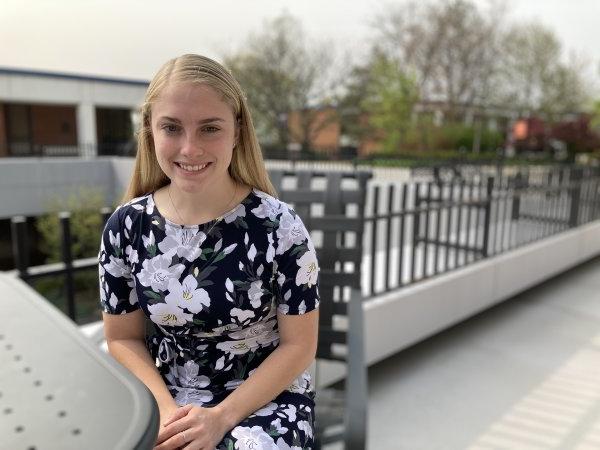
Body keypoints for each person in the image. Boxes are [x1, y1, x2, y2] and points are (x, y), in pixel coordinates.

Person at [98, 54, 320, 450]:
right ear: (150, 131)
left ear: (237, 131)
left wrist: (222, 417)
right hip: (164, 394)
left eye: (209, 129)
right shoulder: (126, 227)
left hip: (262, 395)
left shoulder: (279, 227)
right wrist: (165, 410)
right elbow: (121, 338)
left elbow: (299, 345)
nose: (189, 148)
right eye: (171, 127)